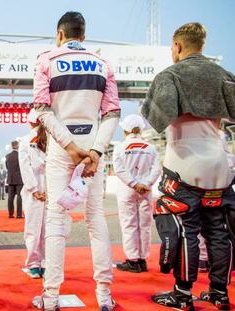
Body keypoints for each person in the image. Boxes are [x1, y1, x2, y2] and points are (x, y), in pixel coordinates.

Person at [142, 22, 235, 311]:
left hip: (184, 163)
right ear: (202, 45)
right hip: (219, 165)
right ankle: (219, 293)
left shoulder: (169, 75)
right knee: (219, 231)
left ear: (178, 46)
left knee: (186, 231)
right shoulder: (225, 76)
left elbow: (154, 119)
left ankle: (182, 294)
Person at [31, 12, 121, 311]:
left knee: (56, 220)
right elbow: (111, 115)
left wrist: (70, 147)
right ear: (83, 34)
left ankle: (51, 297)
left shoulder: (46, 60)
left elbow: (42, 110)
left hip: (62, 146)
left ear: (60, 34)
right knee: (96, 219)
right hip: (94, 143)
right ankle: (105, 295)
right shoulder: (103, 63)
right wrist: (94, 151)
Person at [113, 114, 161, 273]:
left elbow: (118, 169)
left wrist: (134, 184)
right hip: (146, 190)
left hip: (127, 189)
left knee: (129, 224)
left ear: (126, 130)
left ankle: (132, 261)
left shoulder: (119, 147)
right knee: (145, 225)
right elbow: (157, 169)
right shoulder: (151, 147)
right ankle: (142, 260)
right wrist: (145, 184)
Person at [19, 109, 47, 279]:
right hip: (51, 188)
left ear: (30, 122)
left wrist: (34, 189)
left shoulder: (25, 140)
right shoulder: (54, 138)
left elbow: (25, 167)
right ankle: (46, 264)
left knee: (32, 229)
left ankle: (34, 265)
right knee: (49, 229)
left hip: (33, 191)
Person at [5, 141, 24, 218]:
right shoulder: (20, 156)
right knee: (19, 197)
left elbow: (7, 167)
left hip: (10, 179)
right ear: (18, 146)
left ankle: (10, 214)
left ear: (12, 146)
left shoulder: (7, 156)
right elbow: (23, 167)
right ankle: (19, 215)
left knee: (10, 197)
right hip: (19, 179)